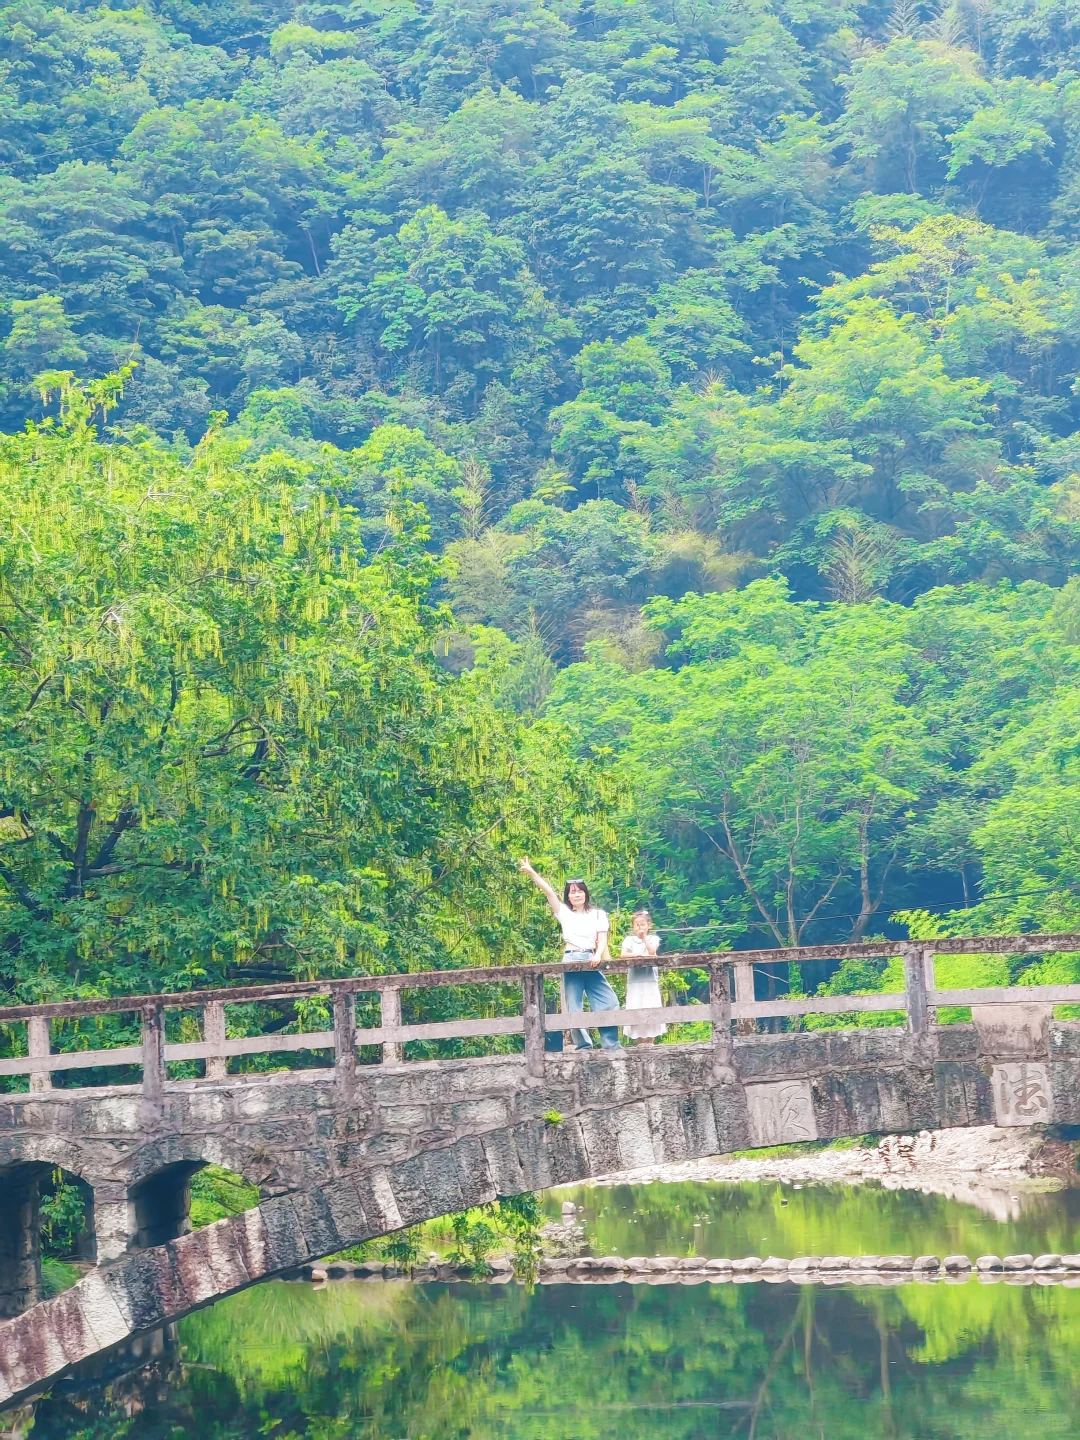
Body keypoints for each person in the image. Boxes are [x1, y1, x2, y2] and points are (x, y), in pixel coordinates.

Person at [518, 857, 623, 1051]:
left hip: (591, 959)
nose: (577, 894)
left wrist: (598, 955)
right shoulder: (564, 912)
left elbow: (602, 938)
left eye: (580, 890)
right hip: (571, 958)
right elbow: (548, 891)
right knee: (573, 1005)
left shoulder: (598, 914)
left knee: (608, 1001)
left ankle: (611, 1044)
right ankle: (584, 1045)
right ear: (568, 896)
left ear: (586, 893)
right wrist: (531, 871)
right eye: (573, 892)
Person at [621, 910, 666, 1044]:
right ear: (633, 927)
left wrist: (644, 938)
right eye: (637, 925)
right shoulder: (628, 940)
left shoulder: (654, 938)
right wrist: (638, 956)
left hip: (650, 980)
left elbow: (652, 951)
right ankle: (639, 1042)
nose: (640, 927)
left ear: (649, 925)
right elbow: (623, 955)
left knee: (652, 1007)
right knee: (635, 1008)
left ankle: (651, 1041)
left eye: (642, 924)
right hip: (634, 981)